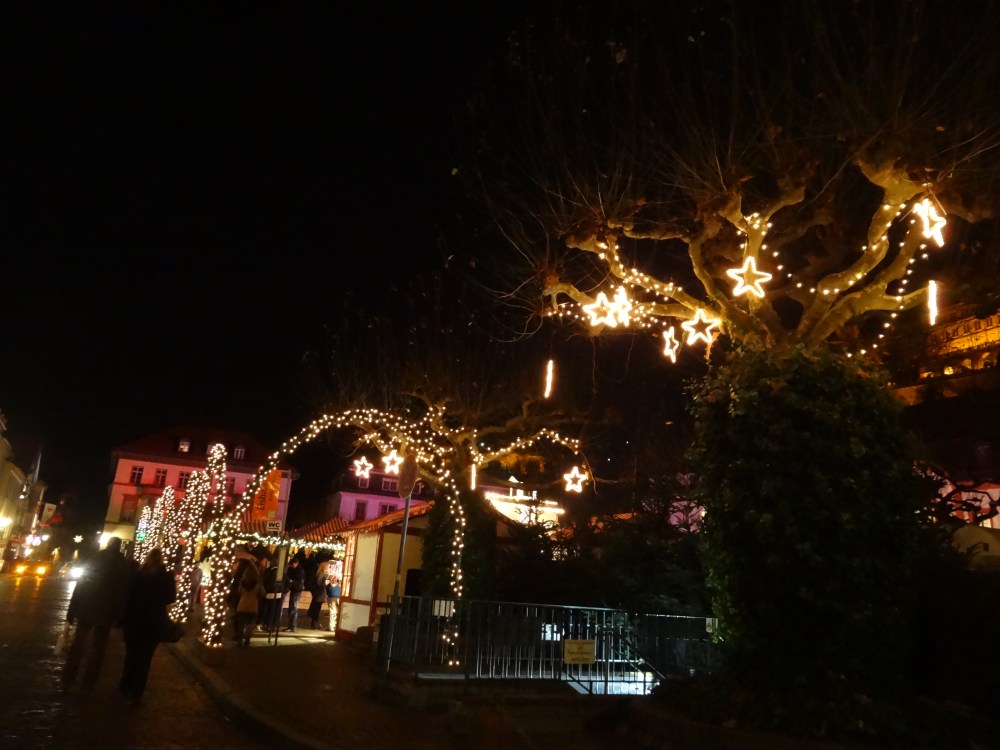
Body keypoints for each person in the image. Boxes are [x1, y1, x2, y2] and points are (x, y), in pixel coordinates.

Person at [62, 536, 132, 693]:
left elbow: (81, 585)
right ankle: (89, 682)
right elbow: (122, 592)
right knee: (98, 649)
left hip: (87, 606)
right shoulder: (122, 565)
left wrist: (72, 610)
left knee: (78, 645)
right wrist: (119, 616)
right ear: (119, 547)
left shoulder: (95, 558)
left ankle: (69, 677)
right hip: (106, 611)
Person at [119, 547, 177, 705]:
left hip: (134, 622)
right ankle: (136, 693)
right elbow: (171, 598)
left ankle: (124, 688)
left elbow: (128, 597)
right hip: (153, 623)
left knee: (131, 657)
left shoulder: (137, 575)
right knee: (144, 660)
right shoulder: (166, 577)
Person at [235, 559, 261, 647]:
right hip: (253, 606)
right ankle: (247, 640)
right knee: (250, 624)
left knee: (241, 624)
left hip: (242, 605)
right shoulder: (258, 583)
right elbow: (263, 593)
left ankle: (239, 641)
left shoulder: (242, 583)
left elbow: (239, 592)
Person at [283, 556, 305, 632]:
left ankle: (292, 626)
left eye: (293, 564)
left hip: (296, 590)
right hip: (295, 590)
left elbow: (298, 582)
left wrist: (291, 581)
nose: (292, 566)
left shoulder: (299, 571)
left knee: (293, 608)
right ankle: (291, 626)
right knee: (292, 608)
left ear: (296, 563)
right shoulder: (297, 570)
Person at [306, 559, 329, 629]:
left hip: (319, 593)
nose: (329, 567)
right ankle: (315, 623)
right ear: (324, 566)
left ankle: (315, 623)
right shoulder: (321, 573)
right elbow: (319, 583)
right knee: (317, 608)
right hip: (320, 593)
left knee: (317, 608)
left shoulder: (320, 572)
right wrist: (326, 581)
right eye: (328, 566)